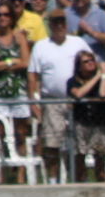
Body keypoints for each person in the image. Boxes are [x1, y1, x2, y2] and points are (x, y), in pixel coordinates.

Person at [28, 14, 85, 172]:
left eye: (62, 22)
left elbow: (91, 64)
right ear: (50, 25)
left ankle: (80, 178)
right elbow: (32, 75)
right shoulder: (40, 46)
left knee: (79, 144)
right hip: (52, 101)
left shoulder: (78, 42)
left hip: (76, 101)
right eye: (56, 23)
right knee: (52, 144)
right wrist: (33, 102)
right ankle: (53, 181)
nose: (59, 26)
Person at [0, 2, 33, 169]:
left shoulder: (20, 39)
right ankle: (0, 171)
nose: (2, 18)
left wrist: (1, 64)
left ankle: (21, 174)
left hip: (18, 91)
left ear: (11, 18)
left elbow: (26, 63)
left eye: (6, 14)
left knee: (21, 134)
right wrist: (12, 61)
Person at [66, 47, 105, 182]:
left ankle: (101, 186)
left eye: (92, 60)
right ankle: (80, 185)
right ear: (79, 66)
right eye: (86, 61)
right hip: (81, 124)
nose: (90, 63)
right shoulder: (73, 81)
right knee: (79, 158)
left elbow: (103, 94)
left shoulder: (102, 80)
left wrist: (103, 75)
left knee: (100, 157)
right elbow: (78, 93)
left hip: (99, 124)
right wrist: (97, 76)